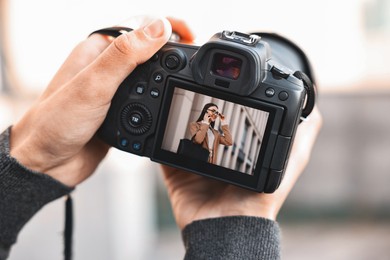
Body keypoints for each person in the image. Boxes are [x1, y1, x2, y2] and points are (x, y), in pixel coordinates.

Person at [0, 15, 322, 260]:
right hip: (194, 156)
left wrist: (29, 159)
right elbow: (194, 136)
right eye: (210, 110)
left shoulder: (220, 126)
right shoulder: (197, 126)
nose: (212, 113)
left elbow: (227, 143)